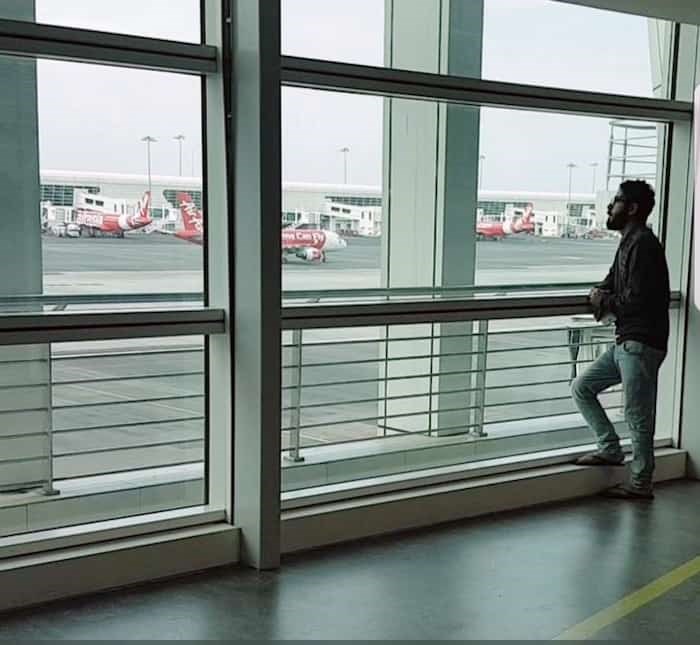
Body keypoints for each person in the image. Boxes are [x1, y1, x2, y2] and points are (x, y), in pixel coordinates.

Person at [571, 179, 670, 500]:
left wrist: (605, 300)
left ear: (631, 208)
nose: (609, 208)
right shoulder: (629, 242)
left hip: (640, 343)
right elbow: (611, 283)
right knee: (582, 387)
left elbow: (636, 300)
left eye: (615, 202)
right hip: (626, 340)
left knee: (638, 415)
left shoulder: (642, 244)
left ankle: (641, 484)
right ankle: (610, 449)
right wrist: (600, 293)